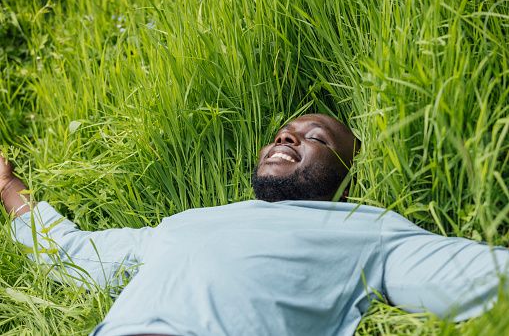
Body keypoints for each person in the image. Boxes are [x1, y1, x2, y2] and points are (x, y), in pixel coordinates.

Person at [0, 113, 507, 336]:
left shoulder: (364, 228)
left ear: (346, 180)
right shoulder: (185, 224)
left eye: (315, 138)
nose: (287, 139)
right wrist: (7, 187)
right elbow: (70, 253)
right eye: (283, 133)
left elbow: (475, 276)